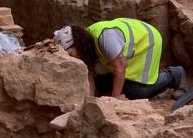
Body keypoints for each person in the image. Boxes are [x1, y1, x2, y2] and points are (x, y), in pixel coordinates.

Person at [54, 20, 183, 100]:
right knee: (102, 85)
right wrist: (89, 100)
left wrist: (115, 100)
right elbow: (90, 76)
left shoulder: (105, 38)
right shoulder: (87, 45)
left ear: (78, 44)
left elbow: (120, 69)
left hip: (147, 41)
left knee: (135, 92)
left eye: (70, 54)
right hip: (124, 53)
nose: (71, 59)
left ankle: (175, 75)